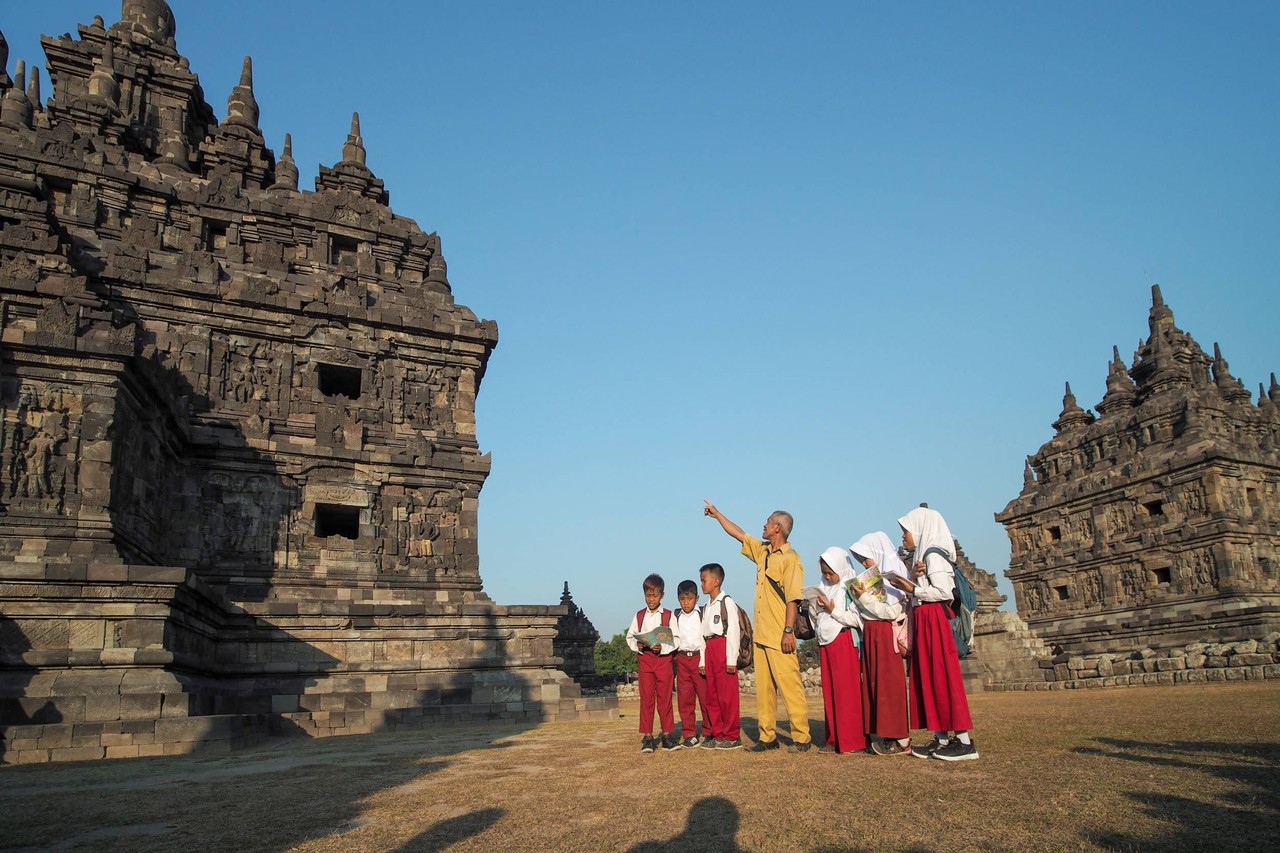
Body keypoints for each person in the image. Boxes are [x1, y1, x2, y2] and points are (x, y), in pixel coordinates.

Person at [703, 500, 811, 752]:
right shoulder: (763, 552)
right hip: (761, 635)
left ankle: (802, 738)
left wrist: (788, 631)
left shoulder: (791, 559)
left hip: (779, 633)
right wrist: (718, 514)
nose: (763, 524)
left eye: (767, 521)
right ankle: (767, 737)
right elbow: (739, 534)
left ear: (777, 528)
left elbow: (793, 598)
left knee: (790, 686)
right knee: (764, 691)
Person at [886, 506, 979, 761]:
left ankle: (964, 741)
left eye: (906, 531)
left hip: (935, 618)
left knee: (942, 676)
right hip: (925, 618)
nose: (904, 537)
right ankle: (941, 738)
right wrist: (913, 583)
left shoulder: (934, 556)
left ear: (920, 529)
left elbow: (944, 593)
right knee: (928, 677)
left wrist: (912, 588)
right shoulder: (923, 556)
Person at [849, 531, 913, 756]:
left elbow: (891, 611)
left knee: (889, 685)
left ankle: (901, 739)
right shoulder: (873, 578)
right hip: (873, 633)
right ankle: (886, 734)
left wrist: (864, 598)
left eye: (866, 559)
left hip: (886, 634)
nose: (864, 564)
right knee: (875, 685)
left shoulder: (892, 577)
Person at [812, 547, 866, 754]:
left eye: (830, 572)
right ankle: (834, 739)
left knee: (847, 692)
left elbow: (856, 618)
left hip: (844, 639)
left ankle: (853, 741)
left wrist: (833, 609)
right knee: (831, 692)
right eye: (824, 573)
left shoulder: (851, 587)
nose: (827, 577)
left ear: (841, 569)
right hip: (826, 641)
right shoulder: (823, 587)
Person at [626, 573, 678, 752]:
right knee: (647, 699)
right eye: (648, 595)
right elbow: (630, 636)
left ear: (662, 595)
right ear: (644, 595)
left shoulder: (669, 616)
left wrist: (662, 648)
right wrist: (638, 644)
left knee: (665, 699)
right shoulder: (640, 616)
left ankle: (667, 734)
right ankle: (647, 736)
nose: (651, 599)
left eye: (655, 595)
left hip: (663, 660)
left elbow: (676, 639)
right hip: (645, 660)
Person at [697, 563, 743, 749]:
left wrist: (732, 658)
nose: (702, 584)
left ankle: (732, 735)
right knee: (712, 695)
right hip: (710, 649)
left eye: (704, 580)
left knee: (727, 696)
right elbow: (702, 635)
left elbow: (733, 630)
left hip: (723, 648)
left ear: (716, 581)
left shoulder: (726, 602)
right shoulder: (707, 606)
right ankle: (718, 733)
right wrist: (702, 660)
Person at [672, 579, 710, 747]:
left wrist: (703, 661)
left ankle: (709, 731)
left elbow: (704, 640)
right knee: (685, 698)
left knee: (705, 697)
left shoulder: (702, 614)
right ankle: (689, 733)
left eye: (689, 598)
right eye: (682, 599)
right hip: (681, 659)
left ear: (697, 598)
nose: (686, 603)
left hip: (698, 658)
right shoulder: (676, 616)